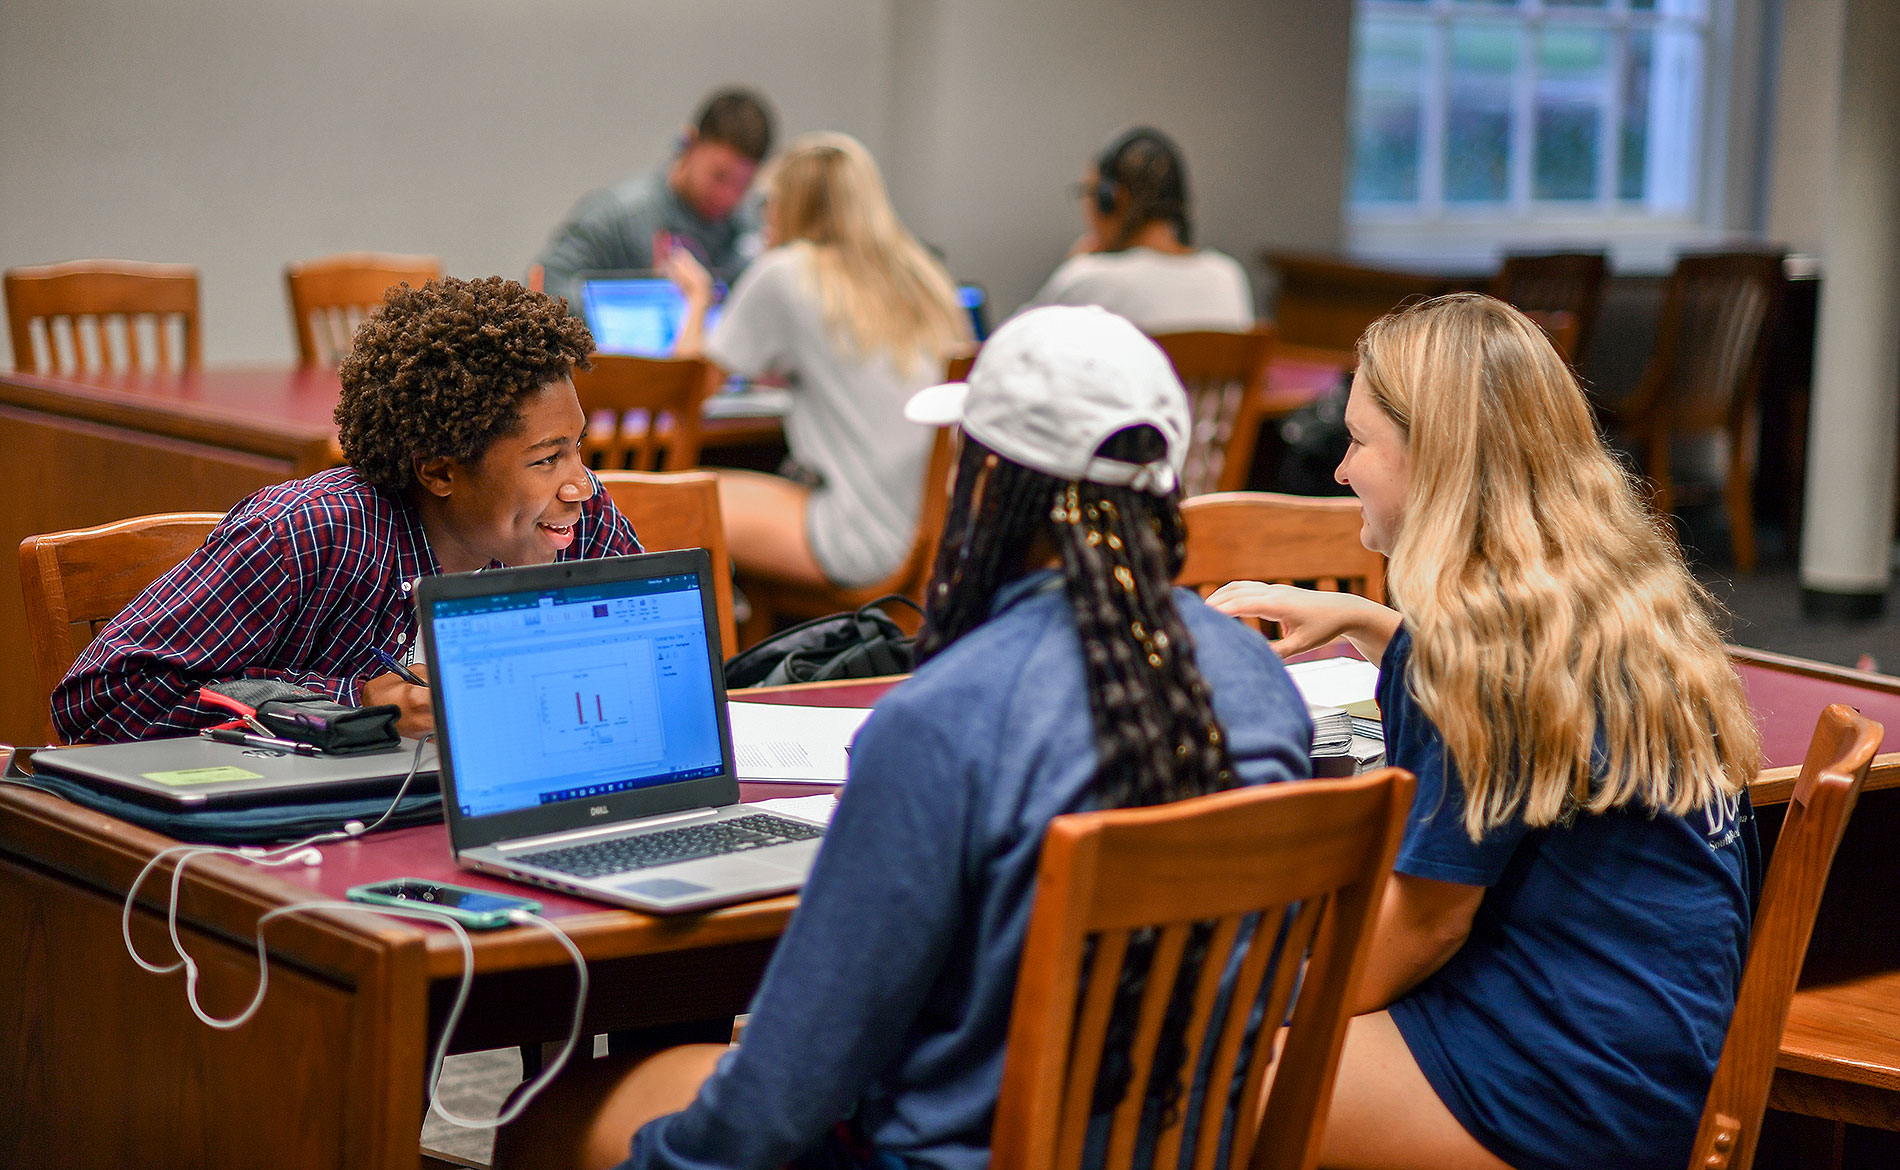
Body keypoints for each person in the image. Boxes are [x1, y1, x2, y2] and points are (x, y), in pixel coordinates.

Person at [493, 305, 1314, 1170]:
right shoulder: (1259, 683)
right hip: (1182, 1148)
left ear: (988, 486)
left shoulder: (942, 721)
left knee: (551, 1110)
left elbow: (784, 1094)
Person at [1209, 293, 1762, 1170]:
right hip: (1654, 1058)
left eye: (1359, 442)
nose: (1343, 470)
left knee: (1191, 1073)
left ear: (1434, 458)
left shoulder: (1464, 647)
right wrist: (1373, 620)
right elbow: (1527, 701)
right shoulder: (1604, 593)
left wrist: (1248, 995)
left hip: (1559, 1090)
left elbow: (1423, 930)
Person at [52, 276, 641, 745]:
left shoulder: (577, 525)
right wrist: (354, 702)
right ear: (439, 471)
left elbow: (650, 662)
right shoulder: (310, 536)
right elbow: (100, 698)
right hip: (304, 846)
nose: (580, 486)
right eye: (545, 461)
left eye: (578, 450)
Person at [664, 131, 971, 589]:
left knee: (673, 505)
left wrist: (697, 297)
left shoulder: (788, 272)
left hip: (859, 537)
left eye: (769, 201)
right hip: (939, 538)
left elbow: (682, 386)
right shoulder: (924, 277)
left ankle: (721, 652)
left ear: (792, 205)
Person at [536, 87, 775, 309]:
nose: (727, 195)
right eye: (718, 176)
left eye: (743, 184)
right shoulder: (618, 215)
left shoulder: (753, 229)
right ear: (689, 143)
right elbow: (546, 286)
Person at [1023, 127, 1253, 333]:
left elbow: (1010, 349)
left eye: (1089, 193)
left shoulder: (1087, 278)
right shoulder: (1227, 276)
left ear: (1112, 200)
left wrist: (1073, 265)